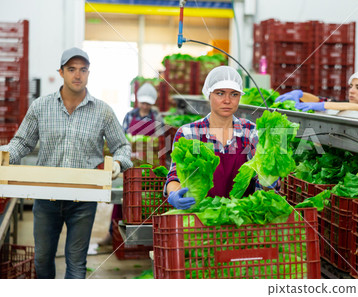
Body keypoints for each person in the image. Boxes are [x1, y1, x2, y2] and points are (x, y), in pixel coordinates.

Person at [0, 47, 132, 278]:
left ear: (89, 73)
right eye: (71, 69)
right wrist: (5, 154)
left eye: (83, 70)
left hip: (84, 199)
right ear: (61, 72)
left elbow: (122, 146)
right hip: (46, 197)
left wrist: (118, 163)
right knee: (42, 259)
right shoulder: (41, 107)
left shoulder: (103, 111)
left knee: (76, 263)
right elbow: (22, 142)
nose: (77, 75)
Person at [164, 66, 278, 209]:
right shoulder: (188, 133)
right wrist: (174, 193)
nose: (227, 100)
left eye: (234, 94)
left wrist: (269, 181)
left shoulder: (251, 132)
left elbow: (262, 185)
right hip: (200, 217)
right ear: (208, 94)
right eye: (220, 93)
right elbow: (175, 175)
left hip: (241, 219)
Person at [98, 82, 165, 246]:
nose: (144, 106)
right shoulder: (129, 115)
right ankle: (112, 234)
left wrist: (150, 145)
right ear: (138, 101)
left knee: (146, 199)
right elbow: (122, 138)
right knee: (122, 199)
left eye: (148, 103)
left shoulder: (157, 117)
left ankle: (145, 239)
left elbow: (161, 139)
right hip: (131, 165)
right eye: (142, 102)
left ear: (152, 103)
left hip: (151, 165)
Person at [276, 70, 358, 113]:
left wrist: (323, 105)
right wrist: (300, 94)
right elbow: (319, 100)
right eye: (351, 86)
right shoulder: (341, 104)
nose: (351, 91)